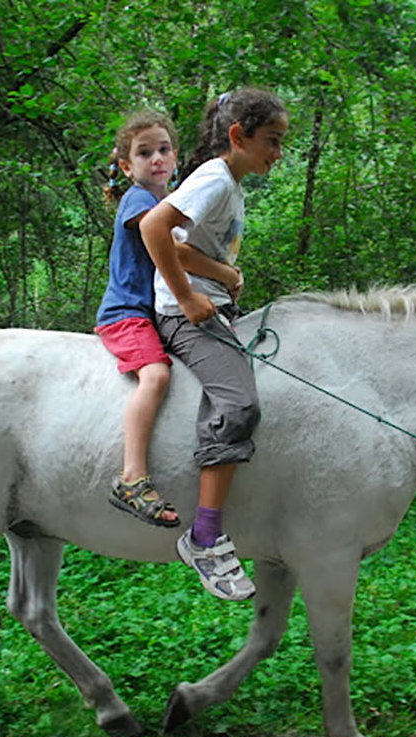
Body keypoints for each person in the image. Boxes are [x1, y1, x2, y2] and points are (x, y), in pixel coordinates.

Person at [139, 89, 289, 602]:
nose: (278, 152)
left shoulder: (233, 185)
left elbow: (184, 247)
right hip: (183, 314)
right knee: (238, 402)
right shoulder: (215, 179)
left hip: (213, 303)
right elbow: (152, 227)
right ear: (237, 136)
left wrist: (223, 274)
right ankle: (204, 537)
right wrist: (186, 296)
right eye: (271, 141)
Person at [97, 110, 239, 531]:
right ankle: (132, 477)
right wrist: (224, 274)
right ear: (127, 166)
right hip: (128, 314)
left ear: (175, 156)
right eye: (144, 153)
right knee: (156, 376)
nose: (156, 159)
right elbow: (176, 253)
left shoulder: (170, 201)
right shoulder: (140, 201)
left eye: (163, 150)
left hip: (158, 313)